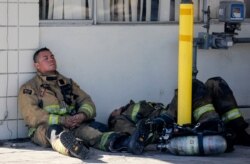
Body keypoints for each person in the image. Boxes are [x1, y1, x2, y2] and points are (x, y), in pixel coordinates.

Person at [18, 47, 142, 160]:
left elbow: (87, 101)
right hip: (45, 129)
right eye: (46, 58)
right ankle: (74, 148)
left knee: (95, 132)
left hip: (75, 125)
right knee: (55, 133)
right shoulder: (30, 87)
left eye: (52, 57)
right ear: (37, 65)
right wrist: (62, 120)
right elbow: (32, 116)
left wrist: (82, 115)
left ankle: (128, 143)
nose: (51, 60)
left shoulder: (67, 82)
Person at [108, 77, 250, 154]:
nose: (116, 108)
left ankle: (238, 129)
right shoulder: (119, 120)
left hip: (175, 112)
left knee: (215, 83)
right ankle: (210, 121)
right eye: (113, 111)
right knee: (190, 84)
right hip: (168, 121)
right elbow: (138, 135)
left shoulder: (136, 104)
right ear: (113, 117)